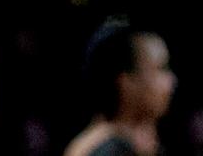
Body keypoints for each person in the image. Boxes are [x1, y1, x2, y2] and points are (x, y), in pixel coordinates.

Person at [63, 22, 176, 156]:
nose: (172, 81)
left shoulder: (140, 144)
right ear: (126, 82)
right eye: (161, 69)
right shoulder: (104, 149)